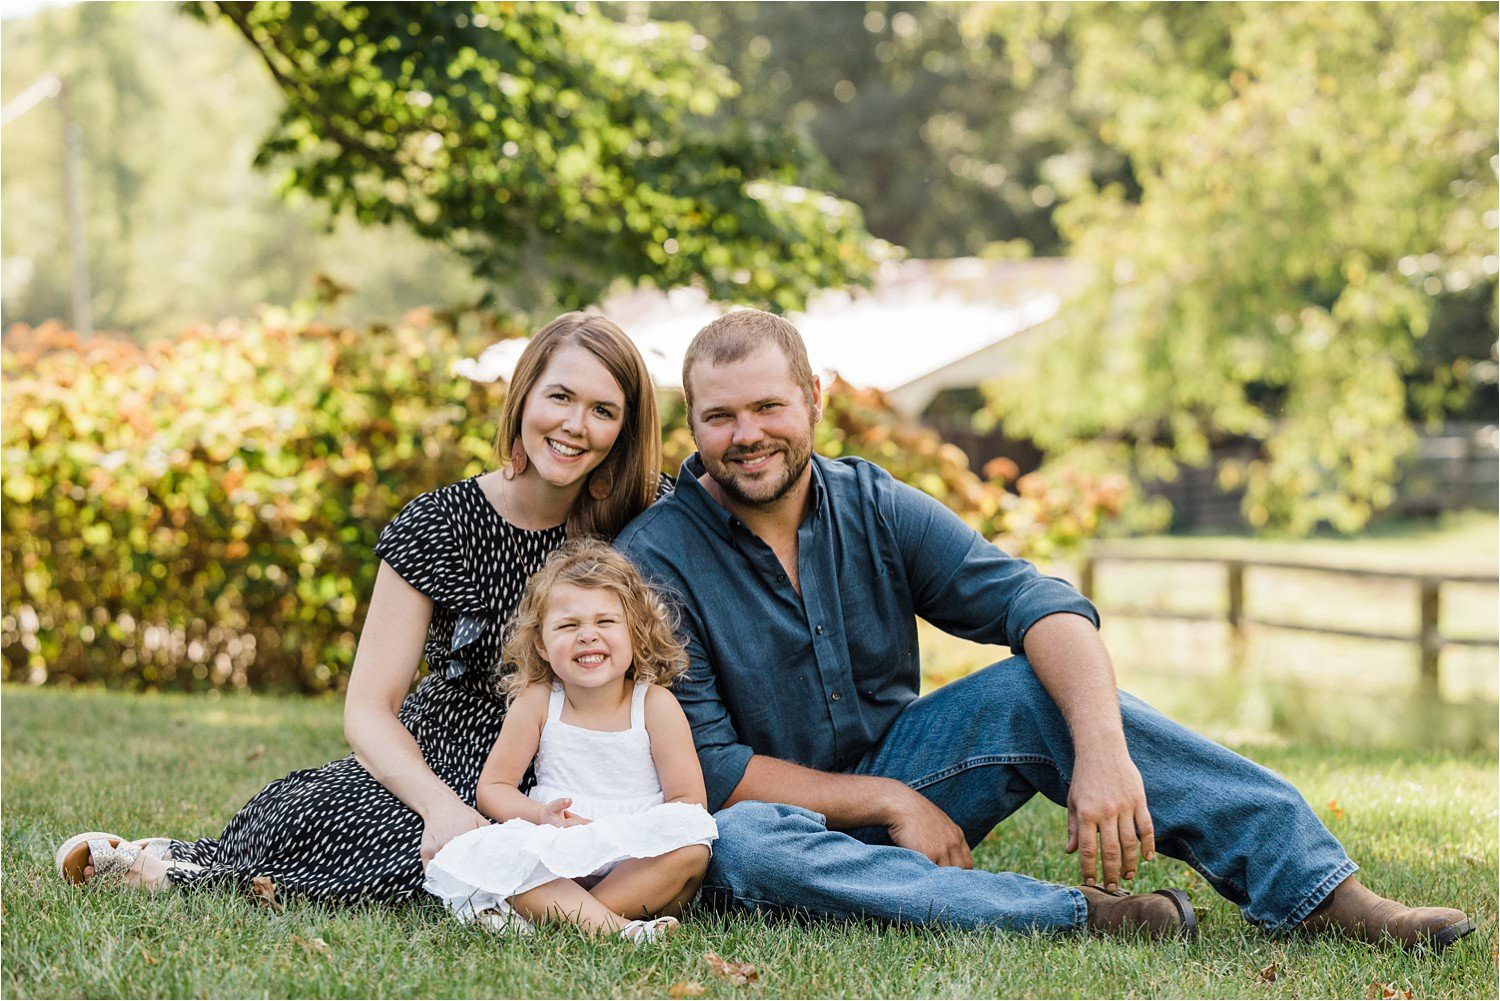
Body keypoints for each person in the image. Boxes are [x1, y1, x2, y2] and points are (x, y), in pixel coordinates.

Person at [614, 308, 1476, 948]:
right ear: (692, 419)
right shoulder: (656, 555)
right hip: (766, 819)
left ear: (812, 398)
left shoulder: (872, 504)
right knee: (748, 849)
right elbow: (716, 772)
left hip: (906, 770)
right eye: (719, 416)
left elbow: (1042, 603)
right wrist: (891, 800)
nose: (746, 435)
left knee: (1036, 685)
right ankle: (1079, 916)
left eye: (767, 407)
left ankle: (1323, 892)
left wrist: (1100, 751)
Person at [55, 311, 668, 905]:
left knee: (454, 868)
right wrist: (439, 806)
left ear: (626, 428)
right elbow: (369, 709)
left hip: (569, 774)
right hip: (445, 759)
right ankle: (177, 862)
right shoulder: (441, 523)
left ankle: (173, 876)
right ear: (524, 396)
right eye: (559, 397)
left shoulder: (643, 522)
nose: (575, 425)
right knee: (317, 821)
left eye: (603, 411)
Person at [423, 540, 716, 943]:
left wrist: (626, 833)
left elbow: (688, 801)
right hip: (557, 848)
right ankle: (619, 930)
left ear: (636, 631)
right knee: (493, 855)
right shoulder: (538, 701)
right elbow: (493, 788)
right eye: (567, 625)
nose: (587, 636)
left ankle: (555, 919)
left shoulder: (654, 704)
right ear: (542, 642)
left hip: (631, 852)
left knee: (691, 850)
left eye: (605, 622)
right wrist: (539, 815)